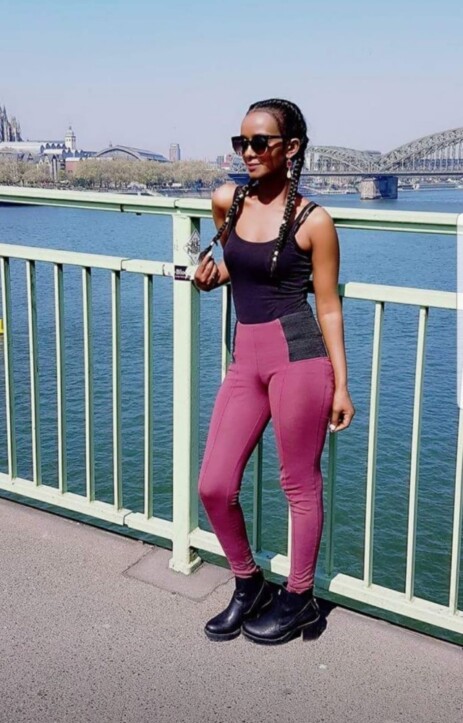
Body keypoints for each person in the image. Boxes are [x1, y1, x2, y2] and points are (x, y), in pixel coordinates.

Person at [193, 98, 355, 645]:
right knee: (214, 485)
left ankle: (300, 597)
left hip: (299, 360)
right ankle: (249, 583)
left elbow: (328, 307)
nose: (249, 151)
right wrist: (215, 277)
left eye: (260, 142)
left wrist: (342, 385)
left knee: (298, 483)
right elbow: (238, 267)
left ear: (292, 148)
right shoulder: (228, 201)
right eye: (241, 142)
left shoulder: (315, 222)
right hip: (247, 360)